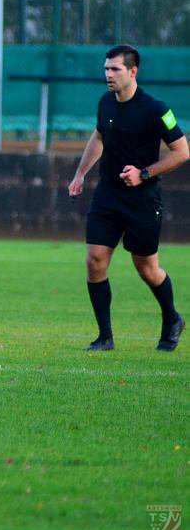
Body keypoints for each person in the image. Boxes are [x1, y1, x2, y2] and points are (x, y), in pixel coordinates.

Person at [68, 44, 188, 352]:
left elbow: (182, 153)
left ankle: (172, 319)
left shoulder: (156, 109)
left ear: (132, 72)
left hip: (142, 200)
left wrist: (144, 173)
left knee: (147, 268)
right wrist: (80, 174)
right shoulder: (106, 104)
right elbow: (99, 137)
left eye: (115, 69)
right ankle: (104, 337)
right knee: (95, 261)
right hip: (108, 195)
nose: (108, 74)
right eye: (106, 69)